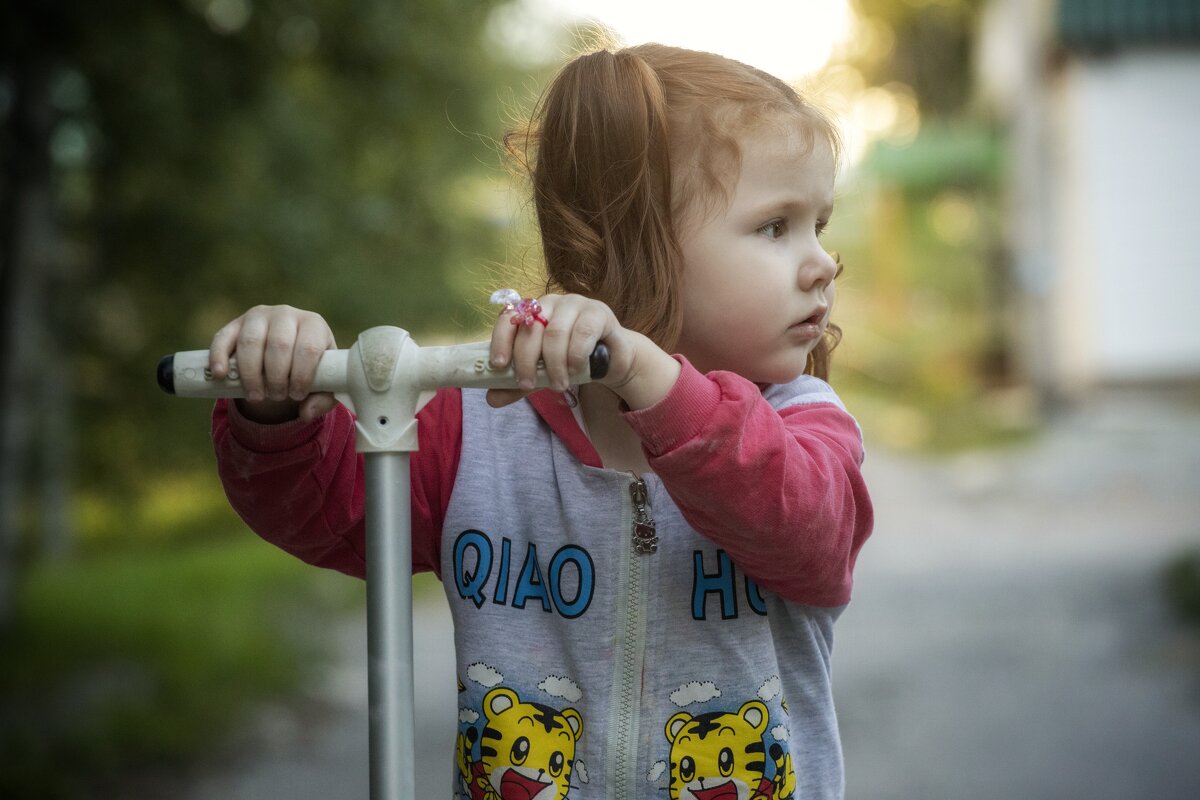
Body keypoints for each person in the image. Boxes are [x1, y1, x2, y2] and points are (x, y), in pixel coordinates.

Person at [208, 43, 873, 800]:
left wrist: (652, 377)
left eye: (819, 223)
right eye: (775, 227)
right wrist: (278, 407)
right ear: (634, 242)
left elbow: (808, 535)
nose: (823, 262)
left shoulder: (805, 427)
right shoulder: (481, 434)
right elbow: (329, 513)